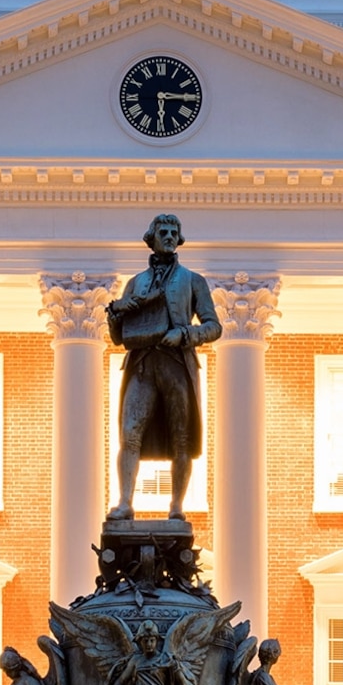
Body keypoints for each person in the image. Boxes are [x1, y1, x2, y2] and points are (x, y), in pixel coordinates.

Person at [105, 213, 222, 520]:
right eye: (164, 232)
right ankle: (125, 503)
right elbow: (119, 338)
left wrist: (184, 334)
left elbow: (213, 326)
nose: (169, 236)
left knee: (180, 435)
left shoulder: (193, 281)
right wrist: (115, 314)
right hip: (142, 364)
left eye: (174, 232)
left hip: (176, 363)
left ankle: (176, 508)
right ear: (152, 238)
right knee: (129, 432)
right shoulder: (135, 283)